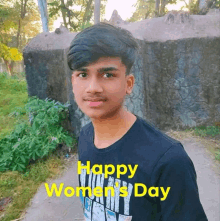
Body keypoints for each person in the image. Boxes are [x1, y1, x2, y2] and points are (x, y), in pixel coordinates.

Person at [67, 22, 208, 221]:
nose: (92, 87)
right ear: (73, 82)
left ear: (128, 84)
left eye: (108, 74)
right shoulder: (85, 137)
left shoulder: (168, 161)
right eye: (82, 74)